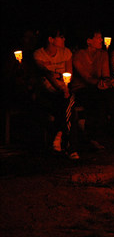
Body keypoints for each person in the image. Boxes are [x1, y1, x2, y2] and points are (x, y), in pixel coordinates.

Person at [72, 30, 114, 148]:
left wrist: (112, 82)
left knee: (112, 95)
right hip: (82, 89)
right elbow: (86, 78)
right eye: (98, 38)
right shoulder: (78, 55)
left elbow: (105, 76)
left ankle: (97, 137)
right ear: (89, 41)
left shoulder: (103, 54)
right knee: (104, 98)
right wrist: (101, 83)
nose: (101, 40)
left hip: (98, 90)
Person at [33, 27, 79, 159]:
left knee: (68, 105)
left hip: (63, 91)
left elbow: (68, 75)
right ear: (51, 39)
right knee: (69, 108)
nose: (64, 39)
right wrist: (61, 88)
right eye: (61, 37)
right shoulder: (39, 54)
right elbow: (46, 74)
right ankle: (71, 148)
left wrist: (64, 87)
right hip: (47, 92)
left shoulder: (66, 53)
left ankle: (58, 137)